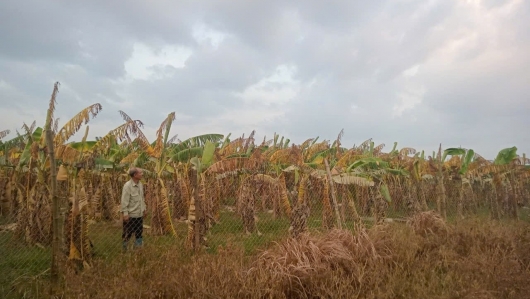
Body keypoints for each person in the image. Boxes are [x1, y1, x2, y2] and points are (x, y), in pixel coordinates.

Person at [120, 167, 147, 251]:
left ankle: (138, 249)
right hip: (131, 215)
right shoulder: (127, 186)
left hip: (139, 214)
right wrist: (125, 214)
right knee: (128, 233)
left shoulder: (140, 185)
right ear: (135, 175)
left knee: (139, 232)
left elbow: (141, 199)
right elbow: (124, 201)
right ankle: (125, 248)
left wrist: (144, 209)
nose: (142, 174)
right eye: (140, 173)